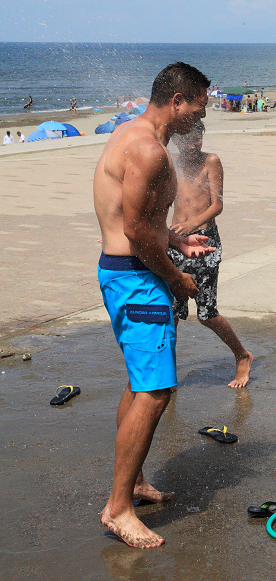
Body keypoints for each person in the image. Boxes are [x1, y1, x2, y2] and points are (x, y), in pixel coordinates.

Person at [94, 61, 214, 549]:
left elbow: (141, 220)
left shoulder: (133, 135)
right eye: (199, 105)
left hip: (126, 273)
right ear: (178, 100)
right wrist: (176, 277)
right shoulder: (147, 149)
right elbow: (135, 230)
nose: (202, 115)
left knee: (140, 383)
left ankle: (135, 482)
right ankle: (118, 508)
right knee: (156, 391)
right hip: (137, 279)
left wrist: (177, 241)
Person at [167, 122, 253, 387]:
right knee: (172, 311)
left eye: (198, 137)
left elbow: (217, 205)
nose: (194, 144)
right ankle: (166, 370)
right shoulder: (172, 162)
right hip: (176, 241)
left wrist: (193, 224)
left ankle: (242, 355)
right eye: (188, 139)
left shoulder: (210, 161)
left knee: (206, 313)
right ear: (176, 140)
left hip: (205, 241)